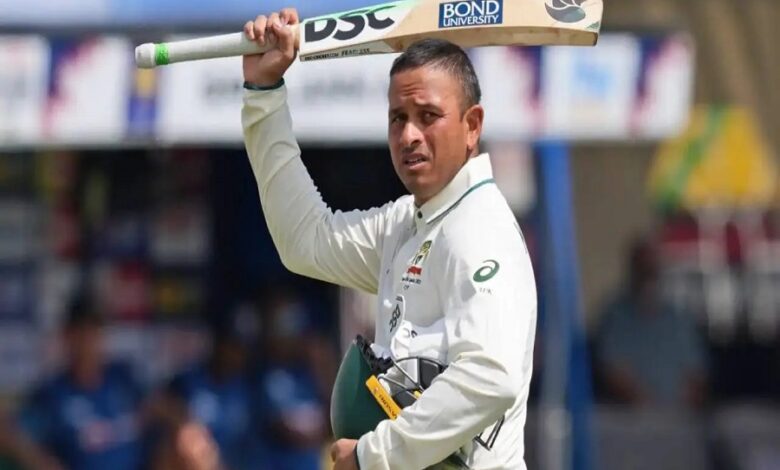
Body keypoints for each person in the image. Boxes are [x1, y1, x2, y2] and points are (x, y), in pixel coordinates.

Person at [240, 8, 537, 470]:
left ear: (473, 126)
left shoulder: (478, 227)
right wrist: (264, 92)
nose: (409, 135)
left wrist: (371, 456)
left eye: (428, 116)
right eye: (398, 118)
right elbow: (306, 241)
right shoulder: (409, 221)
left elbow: (490, 377)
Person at [8, 296, 147, 470]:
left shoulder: (122, 378)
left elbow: (159, 407)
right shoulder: (52, 394)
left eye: (94, 333)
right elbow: (10, 432)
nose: (88, 343)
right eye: (81, 334)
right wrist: (42, 462)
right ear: (66, 337)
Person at [594, 238, 708, 409]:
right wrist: (647, 406)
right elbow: (613, 371)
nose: (648, 276)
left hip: (681, 415)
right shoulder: (615, 316)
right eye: (643, 269)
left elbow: (697, 373)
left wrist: (681, 408)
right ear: (633, 270)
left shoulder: (679, 316)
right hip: (633, 415)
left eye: (652, 269)